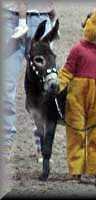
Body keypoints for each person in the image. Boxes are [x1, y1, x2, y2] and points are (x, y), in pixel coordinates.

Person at [58, 7, 96, 188]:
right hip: (76, 98)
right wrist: (58, 87)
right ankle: (76, 171)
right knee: (75, 133)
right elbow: (67, 72)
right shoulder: (77, 49)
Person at [0, 0, 56, 160]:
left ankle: (43, 141)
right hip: (9, 18)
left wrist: (52, 14)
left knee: (47, 87)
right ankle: (5, 142)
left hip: (42, 17)